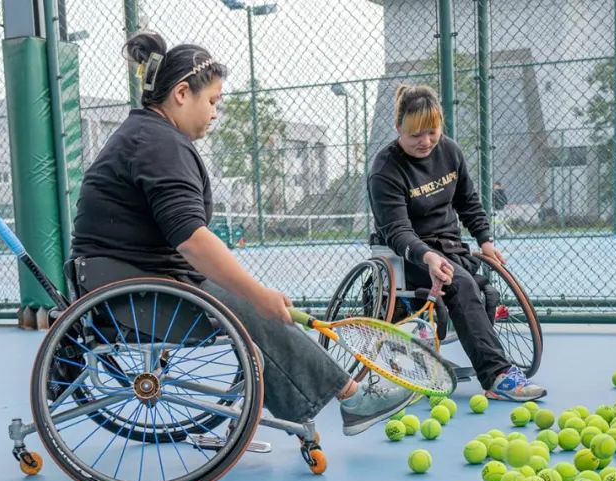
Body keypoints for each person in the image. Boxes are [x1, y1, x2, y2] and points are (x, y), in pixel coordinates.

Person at [69, 32, 412, 436]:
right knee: (250, 307)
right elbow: (191, 239)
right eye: (212, 101)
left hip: (119, 278)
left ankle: (332, 395)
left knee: (246, 299)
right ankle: (352, 397)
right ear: (182, 93)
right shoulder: (160, 144)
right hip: (133, 291)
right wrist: (257, 293)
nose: (215, 112)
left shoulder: (147, 135)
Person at [368, 84, 546, 402]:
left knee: (487, 293)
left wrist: (485, 239)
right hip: (409, 256)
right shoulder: (385, 169)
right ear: (398, 129)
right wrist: (428, 258)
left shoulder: (450, 151)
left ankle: (473, 361)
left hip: (450, 246)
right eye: (415, 135)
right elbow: (397, 231)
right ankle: (497, 376)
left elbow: (468, 202)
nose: (425, 142)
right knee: (461, 284)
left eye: (432, 132)